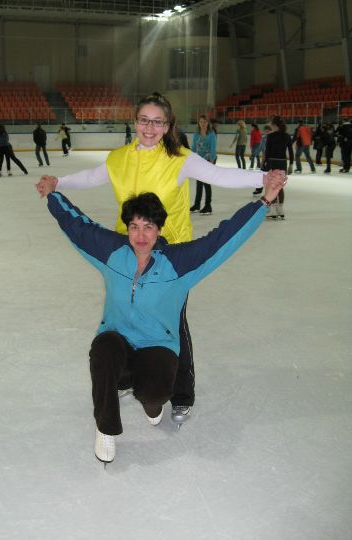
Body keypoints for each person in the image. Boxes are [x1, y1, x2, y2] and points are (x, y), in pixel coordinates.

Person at [41, 92, 266, 426]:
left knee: (173, 323)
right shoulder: (119, 158)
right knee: (124, 315)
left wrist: (264, 178)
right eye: (144, 120)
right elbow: (91, 177)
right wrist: (58, 182)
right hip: (129, 249)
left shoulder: (180, 159)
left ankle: (182, 393)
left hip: (170, 256)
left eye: (157, 122)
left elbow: (220, 176)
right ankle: (129, 373)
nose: (149, 128)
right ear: (135, 122)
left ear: (167, 125)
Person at [36, 171, 286, 463]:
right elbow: (76, 225)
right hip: (117, 339)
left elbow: (224, 238)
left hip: (157, 344)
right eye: (134, 227)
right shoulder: (113, 252)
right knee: (103, 349)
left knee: (154, 394)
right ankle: (105, 428)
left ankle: (151, 405)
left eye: (148, 227)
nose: (140, 236)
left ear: (158, 229)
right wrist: (52, 194)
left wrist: (264, 201)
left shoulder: (178, 263)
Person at [264, 115, 294, 219]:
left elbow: (267, 152)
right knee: (279, 186)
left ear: (274, 125)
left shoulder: (270, 136)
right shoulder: (287, 136)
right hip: (282, 163)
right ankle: (280, 210)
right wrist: (291, 164)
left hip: (272, 162)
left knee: (271, 186)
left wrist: (265, 163)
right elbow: (290, 151)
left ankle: (272, 210)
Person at [190, 115, 217, 215]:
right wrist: (191, 159)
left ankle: (208, 206)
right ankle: (197, 205)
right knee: (199, 184)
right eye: (201, 122)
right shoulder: (196, 134)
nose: (202, 124)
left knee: (206, 183)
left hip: (209, 160)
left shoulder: (211, 134)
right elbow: (193, 147)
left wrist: (211, 162)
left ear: (208, 123)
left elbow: (213, 148)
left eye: (204, 122)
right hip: (199, 161)